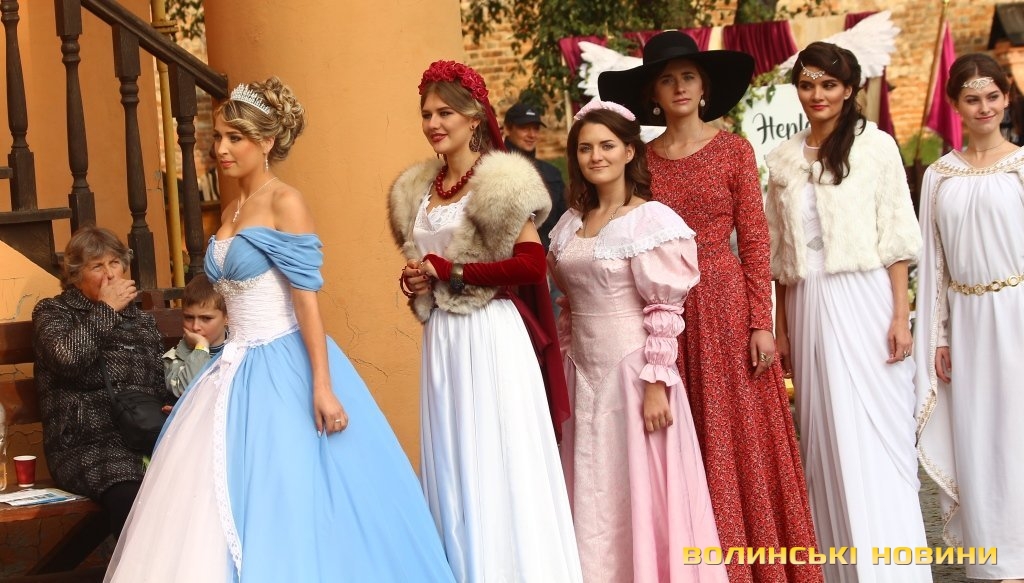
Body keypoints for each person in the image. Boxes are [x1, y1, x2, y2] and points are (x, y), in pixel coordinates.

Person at [105, 77, 455, 583]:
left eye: (235, 138)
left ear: (266, 142)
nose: (221, 149)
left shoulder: (285, 202)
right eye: (218, 137)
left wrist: (322, 385)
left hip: (282, 361)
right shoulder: (232, 209)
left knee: (291, 491)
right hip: (231, 367)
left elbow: (306, 301)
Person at [598, 31, 821, 583]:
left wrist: (760, 322)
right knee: (685, 433)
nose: (678, 87)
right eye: (667, 79)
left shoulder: (733, 150)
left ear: (704, 88)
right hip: (661, 311)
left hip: (724, 304)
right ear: (652, 93)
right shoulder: (641, 161)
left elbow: (756, 238)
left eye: (688, 77)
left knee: (741, 435)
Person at [389, 60, 582, 582]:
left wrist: (453, 271)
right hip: (443, 338)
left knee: (496, 455)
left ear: (474, 117)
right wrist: (419, 279)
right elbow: (435, 262)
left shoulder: (501, 179)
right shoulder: (423, 189)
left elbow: (532, 265)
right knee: (452, 457)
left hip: (489, 334)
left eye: (445, 113)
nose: (433, 123)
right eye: (426, 113)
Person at [764, 42, 930, 583]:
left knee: (878, 431)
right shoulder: (783, 159)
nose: (818, 94)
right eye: (807, 84)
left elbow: (897, 236)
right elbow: (778, 254)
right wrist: (781, 329)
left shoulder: (875, 146)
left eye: (829, 84)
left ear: (850, 89)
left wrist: (900, 316)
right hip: (806, 302)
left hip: (865, 296)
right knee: (823, 435)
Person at [547, 99, 726, 583]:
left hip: (636, 373)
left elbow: (664, 309)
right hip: (582, 373)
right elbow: (567, 305)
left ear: (630, 152)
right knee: (591, 483)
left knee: (640, 486)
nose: (596, 156)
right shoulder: (569, 224)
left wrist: (656, 384)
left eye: (607, 145)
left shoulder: (652, 222)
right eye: (585, 148)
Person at [915, 54, 1024, 583]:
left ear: (1006, 98)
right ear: (955, 105)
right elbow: (932, 264)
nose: (984, 108)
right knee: (979, 438)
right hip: (967, 324)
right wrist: (938, 335)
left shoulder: (1021, 166)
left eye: (992, 96)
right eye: (972, 98)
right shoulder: (939, 176)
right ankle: (993, 560)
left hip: (1019, 314)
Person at [32, 225, 173, 538]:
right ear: (75, 276)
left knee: (196, 480)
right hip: (84, 444)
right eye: (97, 266)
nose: (109, 274)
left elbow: (156, 382)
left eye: (115, 263)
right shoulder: (53, 312)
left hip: (141, 438)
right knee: (131, 493)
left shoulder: (141, 321)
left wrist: (170, 407)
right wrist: (106, 309)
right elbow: (67, 358)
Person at [503, 100, 566, 247]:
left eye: (536, 128)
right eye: (524, 128)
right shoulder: (494, 171)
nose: (532, 134)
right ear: (507, 128)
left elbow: (563, 221)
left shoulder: (552, 173)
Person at [163, 273, 227, 398]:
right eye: (189, 317)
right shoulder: (174, 357)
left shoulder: (241, 351)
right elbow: (186, 390)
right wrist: (201, 348)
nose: (195, 326)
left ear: (227, 317)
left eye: (206, 318)